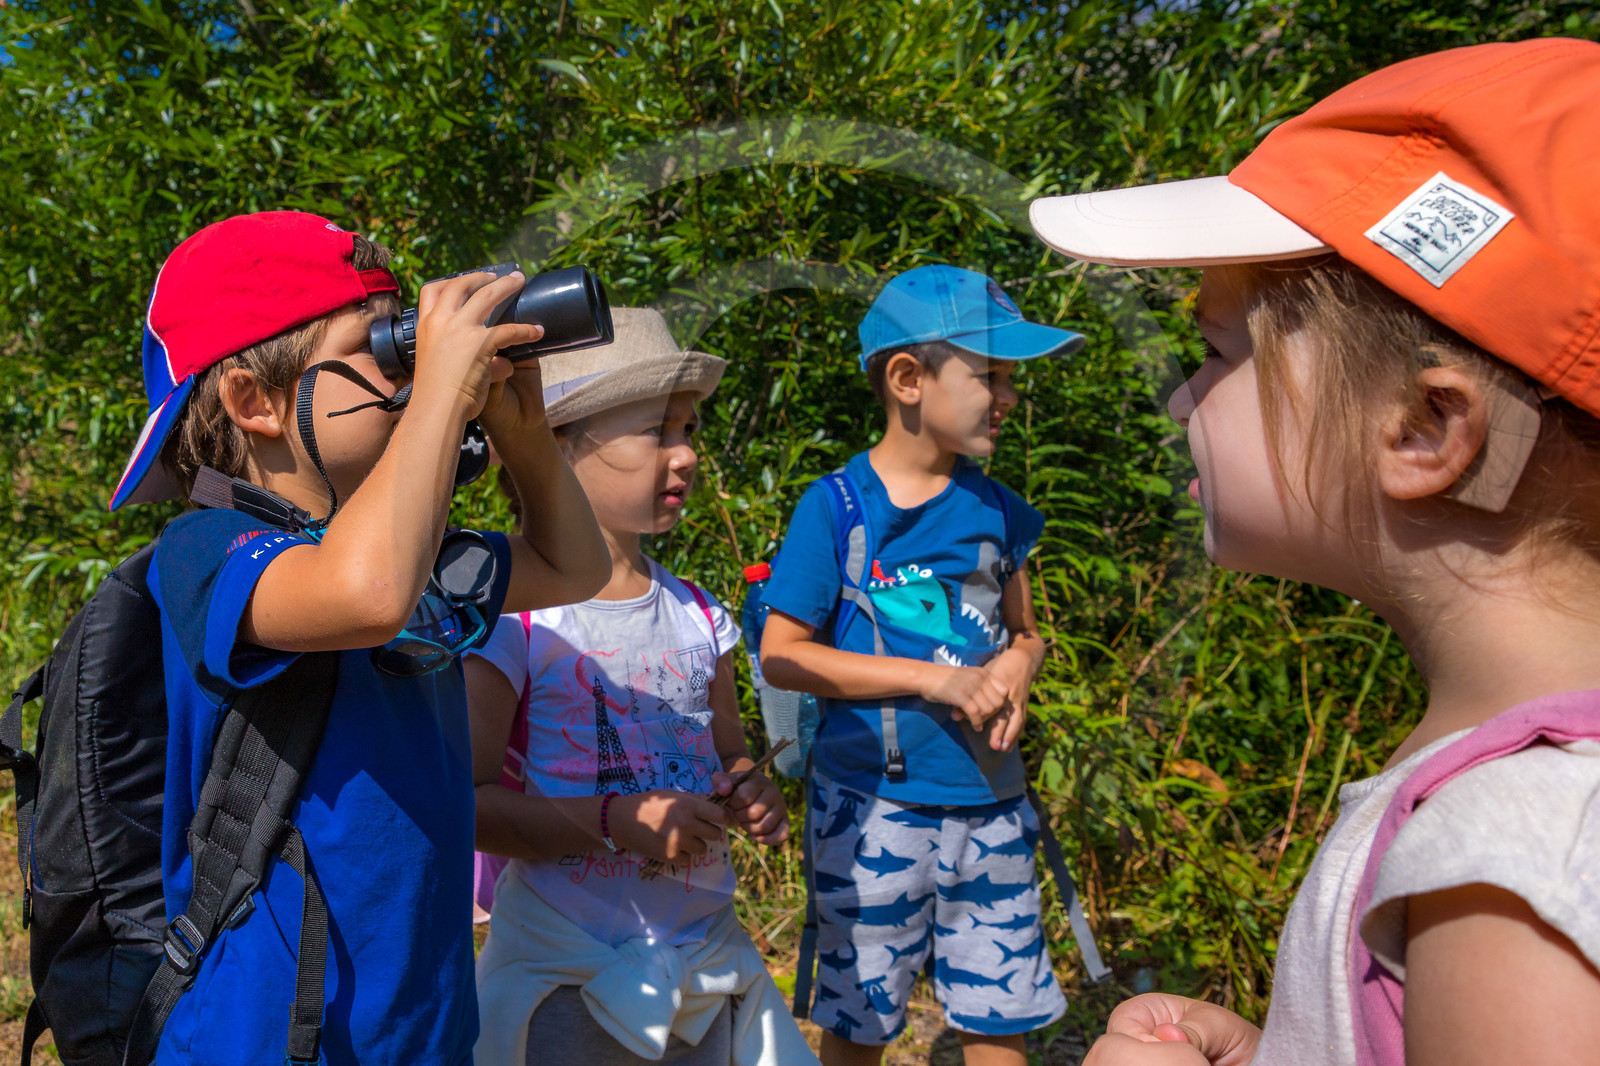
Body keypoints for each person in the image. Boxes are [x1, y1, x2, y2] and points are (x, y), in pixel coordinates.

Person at [1027, 37, 1600, 1066]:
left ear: (1425, 429)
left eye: (1215, 352)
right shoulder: (1510, 808)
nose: (1178, 396)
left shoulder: (1516, 857)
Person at [110, 210, 610, 1064]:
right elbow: (366, 593)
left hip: (422, 1024)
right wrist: (445, 397)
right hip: (267, 1035)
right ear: (253, 400)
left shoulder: (405, 558)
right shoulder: (208, 551)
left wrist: (525, 437)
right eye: (379, 351)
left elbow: (573, 569)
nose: (410, 375)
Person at [465, 307, 816, 1066]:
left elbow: (729, 754)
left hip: (705, 963)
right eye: (657, 431)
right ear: (552, 447)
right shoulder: (515, 622)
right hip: (568, 973)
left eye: (688, 430)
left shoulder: (699, 615)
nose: (685, 455)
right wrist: (611, 818)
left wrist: (753, 792)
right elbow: (465, 802)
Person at [759, 265, 1085, 1066]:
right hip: (870, 807)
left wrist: (1020, 666)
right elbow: (783, 655)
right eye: (988, 375)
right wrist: (936, 679)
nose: (1008, 397)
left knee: (998, 1014)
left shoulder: (1001, 511)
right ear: (908, 378)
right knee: (858, 1016)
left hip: (992, 804)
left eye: (1012, 379)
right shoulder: (835, 508)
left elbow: (1026, 632)